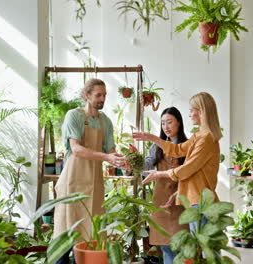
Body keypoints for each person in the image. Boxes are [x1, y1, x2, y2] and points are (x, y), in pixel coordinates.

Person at [53, 78, 126, 264]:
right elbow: (76, 149)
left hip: (93, 185)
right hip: (72, 182)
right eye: (98, 95)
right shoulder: (74, 116)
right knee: (65, 232)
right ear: (87, 95)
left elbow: (111, 152)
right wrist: (107, 157)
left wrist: (123, 161)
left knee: (89, 235)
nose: (102, 99)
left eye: (104, 95)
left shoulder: (105, 122)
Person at [133, 92, 223, 236]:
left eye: (192, 110)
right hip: (195, 199)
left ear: (202, 112)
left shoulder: (206, 138)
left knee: (207, 251)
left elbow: (188, 169)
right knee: (203, 249)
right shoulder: (199, 135)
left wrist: (160, 174)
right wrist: (153, 138)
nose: (190, 115)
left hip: (201, 200)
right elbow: (178, 150)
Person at [140, 107, 190, 264]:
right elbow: (145, 167)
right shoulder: (156, 147)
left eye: (169, 122)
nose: (166, 127)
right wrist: (135, 160)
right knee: (166, 247)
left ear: (179, 123)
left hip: (182, 200)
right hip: (162, 200)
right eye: (163, 124)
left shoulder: (188, 146)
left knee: (182, 246)